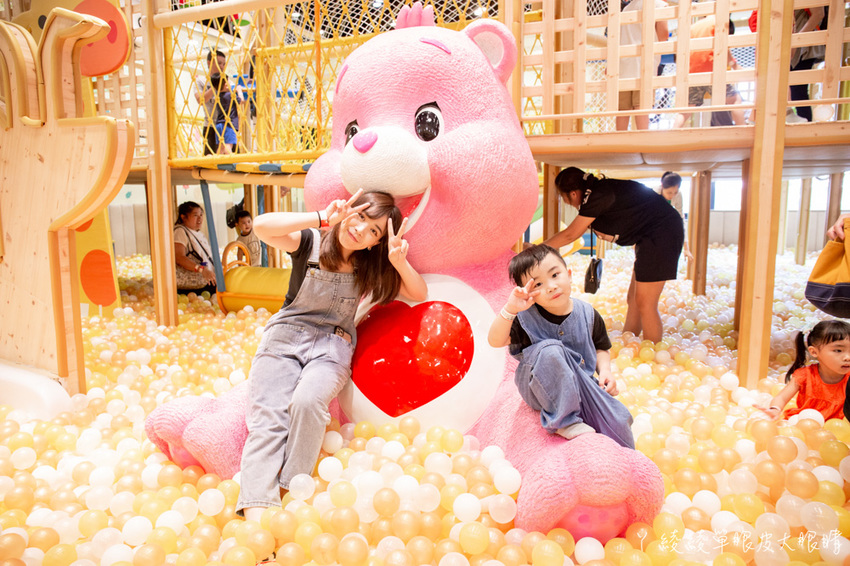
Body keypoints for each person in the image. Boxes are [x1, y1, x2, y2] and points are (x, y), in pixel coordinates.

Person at [236, 190, 427, 533]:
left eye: (374, 232)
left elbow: (418, 293)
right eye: (362, 217)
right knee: (269, 419)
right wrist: (322, 216)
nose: (362, 230)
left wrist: (398, 259)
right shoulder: (310, 242)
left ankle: (290, 491)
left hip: (332, 346)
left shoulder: (369, 268)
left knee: (308, 402)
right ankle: (257, 519)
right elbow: (263, 227)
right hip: (285, 338)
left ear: (375, 244)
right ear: (349, 210)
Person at [487, 244, 634, 447]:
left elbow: (601, 346)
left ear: (569, 274)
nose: (550, 286)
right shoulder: (525, 318)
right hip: (537, 387)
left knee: (618, 421)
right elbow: (495, 340)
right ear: (527, 292)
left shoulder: (588, 314)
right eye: (537, 285)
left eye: (555, 275)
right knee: (551, 351)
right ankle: (564, 421)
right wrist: (510, 309)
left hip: (581, 382)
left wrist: (606, 371)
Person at [545, 167, 684, 343]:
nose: (570, 204)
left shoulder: (598, 195)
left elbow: (571, 234)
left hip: (662, 234)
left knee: (645, 302)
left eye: (566, 199)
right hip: (652, 236)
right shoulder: (598, 192)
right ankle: (629, 342)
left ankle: (654, 353)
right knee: (633, 299)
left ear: (573, 193)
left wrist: (538, 248)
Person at [760, 320, 850, 421]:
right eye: (838, 350)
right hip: (805, 425)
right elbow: (781, 397)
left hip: (840, 430)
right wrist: (775, 410)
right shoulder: (805, 375)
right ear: (814, 352)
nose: (847, 357)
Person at [672, 17, 746, 128]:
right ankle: (743, 131)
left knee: (686, 109)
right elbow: (723, 47)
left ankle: (673, 131)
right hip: (711, 70)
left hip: (691, 71)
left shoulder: (694, 27)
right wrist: (734, 65)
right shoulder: (721, 22)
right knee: (734, 99)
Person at [616, 0, 669, 131]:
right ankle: (642, 143)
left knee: (622, 110)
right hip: (644, 64)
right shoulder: (659, 5)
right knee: (641, 107)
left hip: (624, 66)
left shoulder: (627, 8)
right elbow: (663, 35)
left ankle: (619, 145)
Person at [788, 8, 825, 123]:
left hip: (803, 45)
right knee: (794, 90)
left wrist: (797, 41)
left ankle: (804, 126)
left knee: (797, 90)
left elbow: (819, 14)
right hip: (794, 41)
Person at [173, 201, 217, 295]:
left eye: (201, 215)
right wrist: (201, 269)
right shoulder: (180, 231)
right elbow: (179, 257)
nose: (200, 218)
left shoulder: (199, 233)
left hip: (206, 283)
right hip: (193, 288)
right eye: (195, 215)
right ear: (183, 217)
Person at [654, 171, 694, 262]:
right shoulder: (654, 193)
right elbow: (644, 218)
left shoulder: (678, 195)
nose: (672, 196)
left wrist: (686, 248)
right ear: (662, 187)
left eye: (675, 192)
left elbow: (680, 220)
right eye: (669, 192)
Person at [194, 50, 226, 155]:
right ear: (209, 63)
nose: (222, 66)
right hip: (210, 126)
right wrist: (215, 86)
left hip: (226, 126)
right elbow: (201, 100)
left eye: (224, 64)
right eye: (219, 63)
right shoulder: (201, 81)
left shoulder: (226, 81)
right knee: (210, 159)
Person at [210, 72, 245, 154]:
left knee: (221, 147)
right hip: (229, 125)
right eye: (229, 81)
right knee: (228, 145)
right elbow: (241, 100)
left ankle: (217, 161)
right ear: (226, 85)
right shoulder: (229, 95)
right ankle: (230, 160)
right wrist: (239, 91)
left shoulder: (218, 96)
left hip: (219, 125)